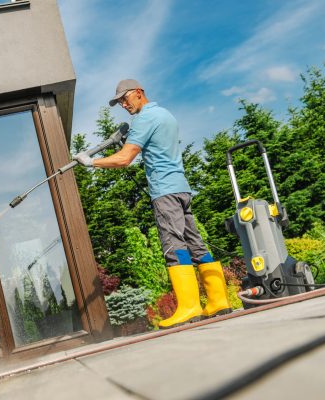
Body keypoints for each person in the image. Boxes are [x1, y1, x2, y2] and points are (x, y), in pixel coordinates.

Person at [74, 79, 231, 328]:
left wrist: (90, 162)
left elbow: (125, 158)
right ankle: (218, 300)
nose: (123, 105)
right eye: (120, 102)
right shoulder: (164, 114)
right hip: (182, 189)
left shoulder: (144, 120)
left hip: (165, 193)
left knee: (174, 245)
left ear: (139, 93)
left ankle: (190, 307)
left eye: (125, 98)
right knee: (196, 243)